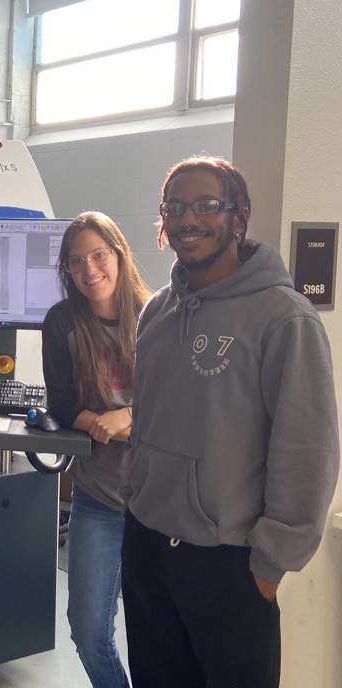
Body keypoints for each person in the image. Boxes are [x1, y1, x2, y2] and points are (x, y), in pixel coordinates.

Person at [122, 154, 340, 688]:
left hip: (229, 564)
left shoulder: (284, 318)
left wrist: (269, 569)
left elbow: (307, 453)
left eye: (205, 205)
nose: (187, 220)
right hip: (149, 546)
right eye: (174, 208)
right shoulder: (158, 310)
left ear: (239, 217)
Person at [41, 212, 152, 688]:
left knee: (155, 635)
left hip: (160, 504)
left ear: (120, 253)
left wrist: (127, 418)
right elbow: (63, 405)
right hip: (99, 497)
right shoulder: (62, 321)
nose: (90, 271)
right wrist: (97, 423)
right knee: (88, 631)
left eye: (99, 255)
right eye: (77, 262)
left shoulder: (157, 314)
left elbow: (182, 402)